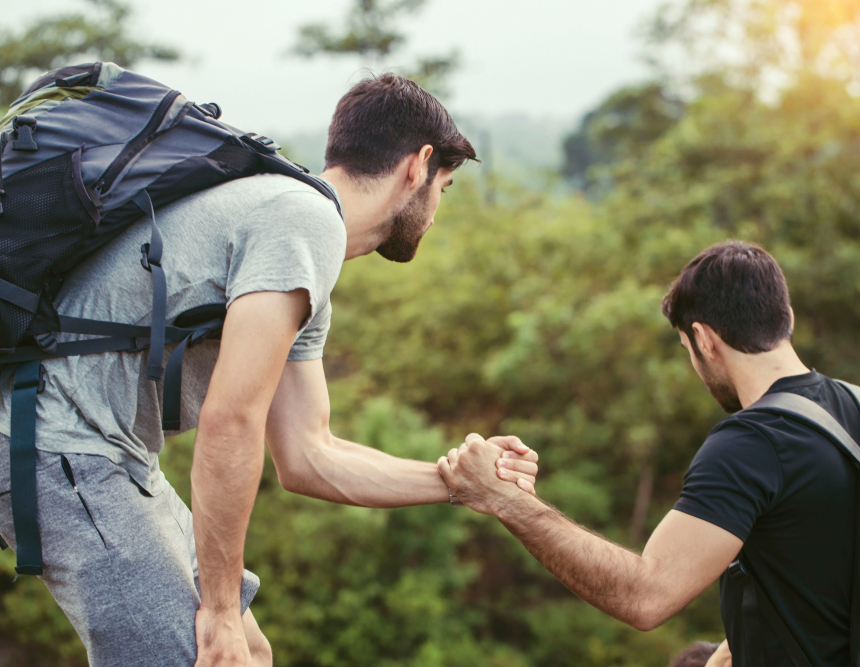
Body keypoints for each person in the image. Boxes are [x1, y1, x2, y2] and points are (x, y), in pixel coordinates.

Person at [0, 73, 538, 667]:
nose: (437, 212)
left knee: (250, 655)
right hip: (57, 445)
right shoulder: (300, 222)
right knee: (202, 654)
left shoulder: (296, 233)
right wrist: (220, 612)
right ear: (418, 166)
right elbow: (230, 422)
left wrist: (461, 481)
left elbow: (309, 456)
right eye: (447, 188)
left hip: (111, 455)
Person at [440, 240, 860, 667]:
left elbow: (645, 597)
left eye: (688, 350)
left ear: (705, 340)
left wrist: (507, 500)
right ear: (785, 316)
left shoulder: (752, 443)